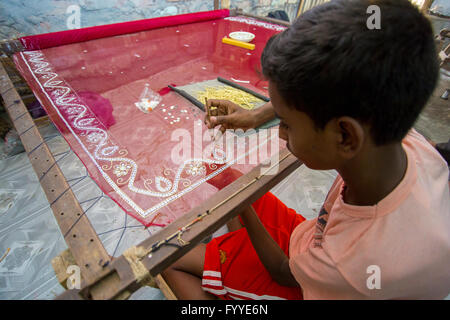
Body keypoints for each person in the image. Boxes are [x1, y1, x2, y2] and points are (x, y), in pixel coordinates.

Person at [161, 0, 450, 299]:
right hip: (313, 241)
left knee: (172, 262)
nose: (280, 132)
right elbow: (324, 90)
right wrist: (255, 116)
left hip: (301, 282)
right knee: (233, 183)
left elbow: (283, 272)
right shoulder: (398, 133)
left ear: (345, 135)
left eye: (285, 123)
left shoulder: (351, 265)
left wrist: (241, 204)